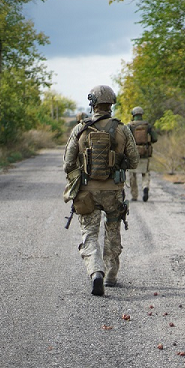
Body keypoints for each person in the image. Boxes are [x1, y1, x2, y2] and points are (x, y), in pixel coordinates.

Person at [63, 85, 140, 296]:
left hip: (87, 192)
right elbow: (134, 162)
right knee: (113, 230)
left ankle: (96, 271)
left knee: (89, 233)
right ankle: (111, 275)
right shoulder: (122, 129)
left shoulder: (80, 129)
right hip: (113, 191)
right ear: (111, 104)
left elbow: (67, 164)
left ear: (93, 103)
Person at [127, 106, 158, 202]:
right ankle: (145, 187)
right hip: (145, 152)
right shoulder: (147, 125)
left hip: (133, 153)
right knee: (145, 173)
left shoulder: (129, 125)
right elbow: (155, 138)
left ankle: (134, 195)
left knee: (132, 174)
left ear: (133, 115)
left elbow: (126, 139)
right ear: (141, 114)